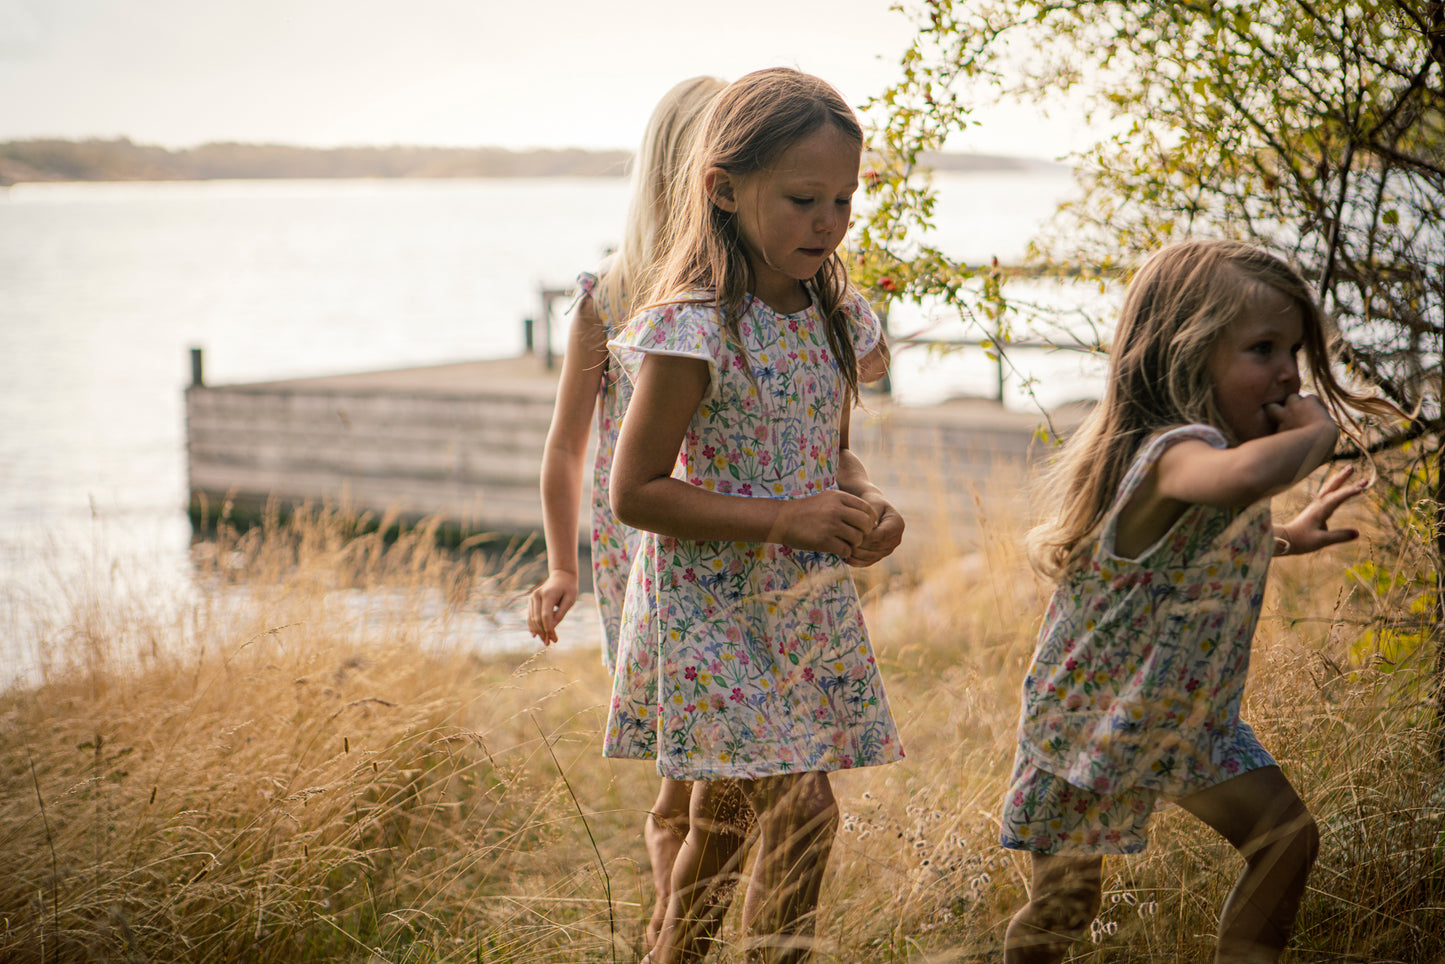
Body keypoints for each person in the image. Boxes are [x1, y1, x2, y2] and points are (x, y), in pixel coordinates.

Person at [1000, 239, 1399, 963]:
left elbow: (1183, 553)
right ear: (1186, 355)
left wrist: (1281, 537)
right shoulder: (1173, 452)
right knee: (1063, 907)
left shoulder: (1200, 463)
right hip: (1099, 717)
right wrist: (1316, 431)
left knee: (1284, 840)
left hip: (1180, 716)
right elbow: (1239, 480)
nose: (1287, 372)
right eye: (1262, 349)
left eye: (1295, 352)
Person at [604, 68, 906, 963]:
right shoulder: (693, 326)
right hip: (715, 607)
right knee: (790, 812)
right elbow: (636, 491)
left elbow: (832, 454)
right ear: (723, 189)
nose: (828, 223)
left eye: (845, 201)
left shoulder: (833, 315)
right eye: (803, 198)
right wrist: (784, 520)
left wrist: (868, 506)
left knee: (737, 818)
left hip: (800, 606)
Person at [525, 75, 728, 951]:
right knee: (682, 766)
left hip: (726, 533)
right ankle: (669, 925)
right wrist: (563, 567)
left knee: (709, 767)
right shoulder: (608, 297)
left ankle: (676, 928)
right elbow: (568, 445)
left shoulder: (744, 292)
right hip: (640, 550)